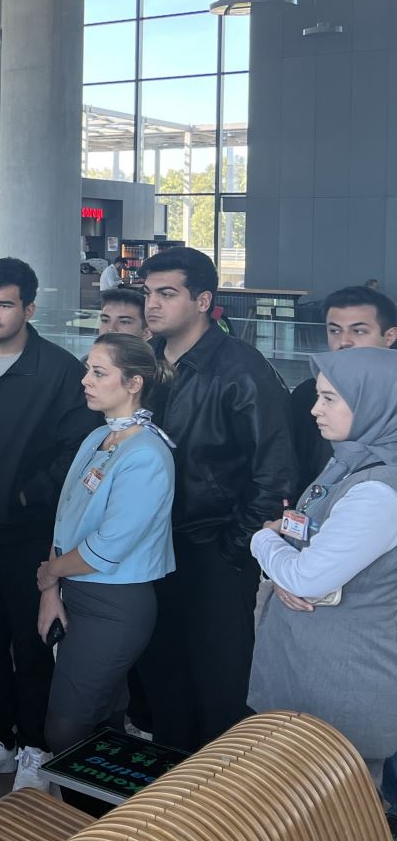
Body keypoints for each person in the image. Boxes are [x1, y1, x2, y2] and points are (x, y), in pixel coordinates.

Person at [0, 258, 101, 791]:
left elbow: (78, 453)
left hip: (27, 531)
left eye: (3, 304)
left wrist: (24, 493)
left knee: (31, 641)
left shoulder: (58, 371)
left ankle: (34, 747)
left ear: (28, 308)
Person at [137, 245, 296, 752]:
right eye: (148, 294)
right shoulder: (149, 364)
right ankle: (170, 796)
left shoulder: (239, 369)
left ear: (203, 300)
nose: (152, 306)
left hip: (214, 548)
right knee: (162, 672)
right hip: (152, 545)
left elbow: (275, 474)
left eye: (167, 294)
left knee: (218, 681)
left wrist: (234, 548)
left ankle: (217, 803)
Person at [248, 346, 397, 792]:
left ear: (375, 403)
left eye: (331, 398)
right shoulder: (351, 461)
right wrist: (287, 560)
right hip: (309, 672)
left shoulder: (379, 491)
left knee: (334, 815)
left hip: (341, 684)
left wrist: (264, 541)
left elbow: (306, 577)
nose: (315, 408)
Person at [37, 333, 175, 758]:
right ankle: (102, 819)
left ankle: (103, 819)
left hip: (116, 604)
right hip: (76, 590)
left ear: (134, 383)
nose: (85, 380)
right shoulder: (97, 438)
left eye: (99, 372)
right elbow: (65, 521)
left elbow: (107, 547)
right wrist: (51, 592)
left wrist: (51, 574)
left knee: (65, 730)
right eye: (87, 369)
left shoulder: (148, 453)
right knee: (103, 720)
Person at [289, 286, 397, 496]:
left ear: (390, 336)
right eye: (335, 330)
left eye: (359, 331)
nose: (344, 341)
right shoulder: (306, 396)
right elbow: (293, 465)